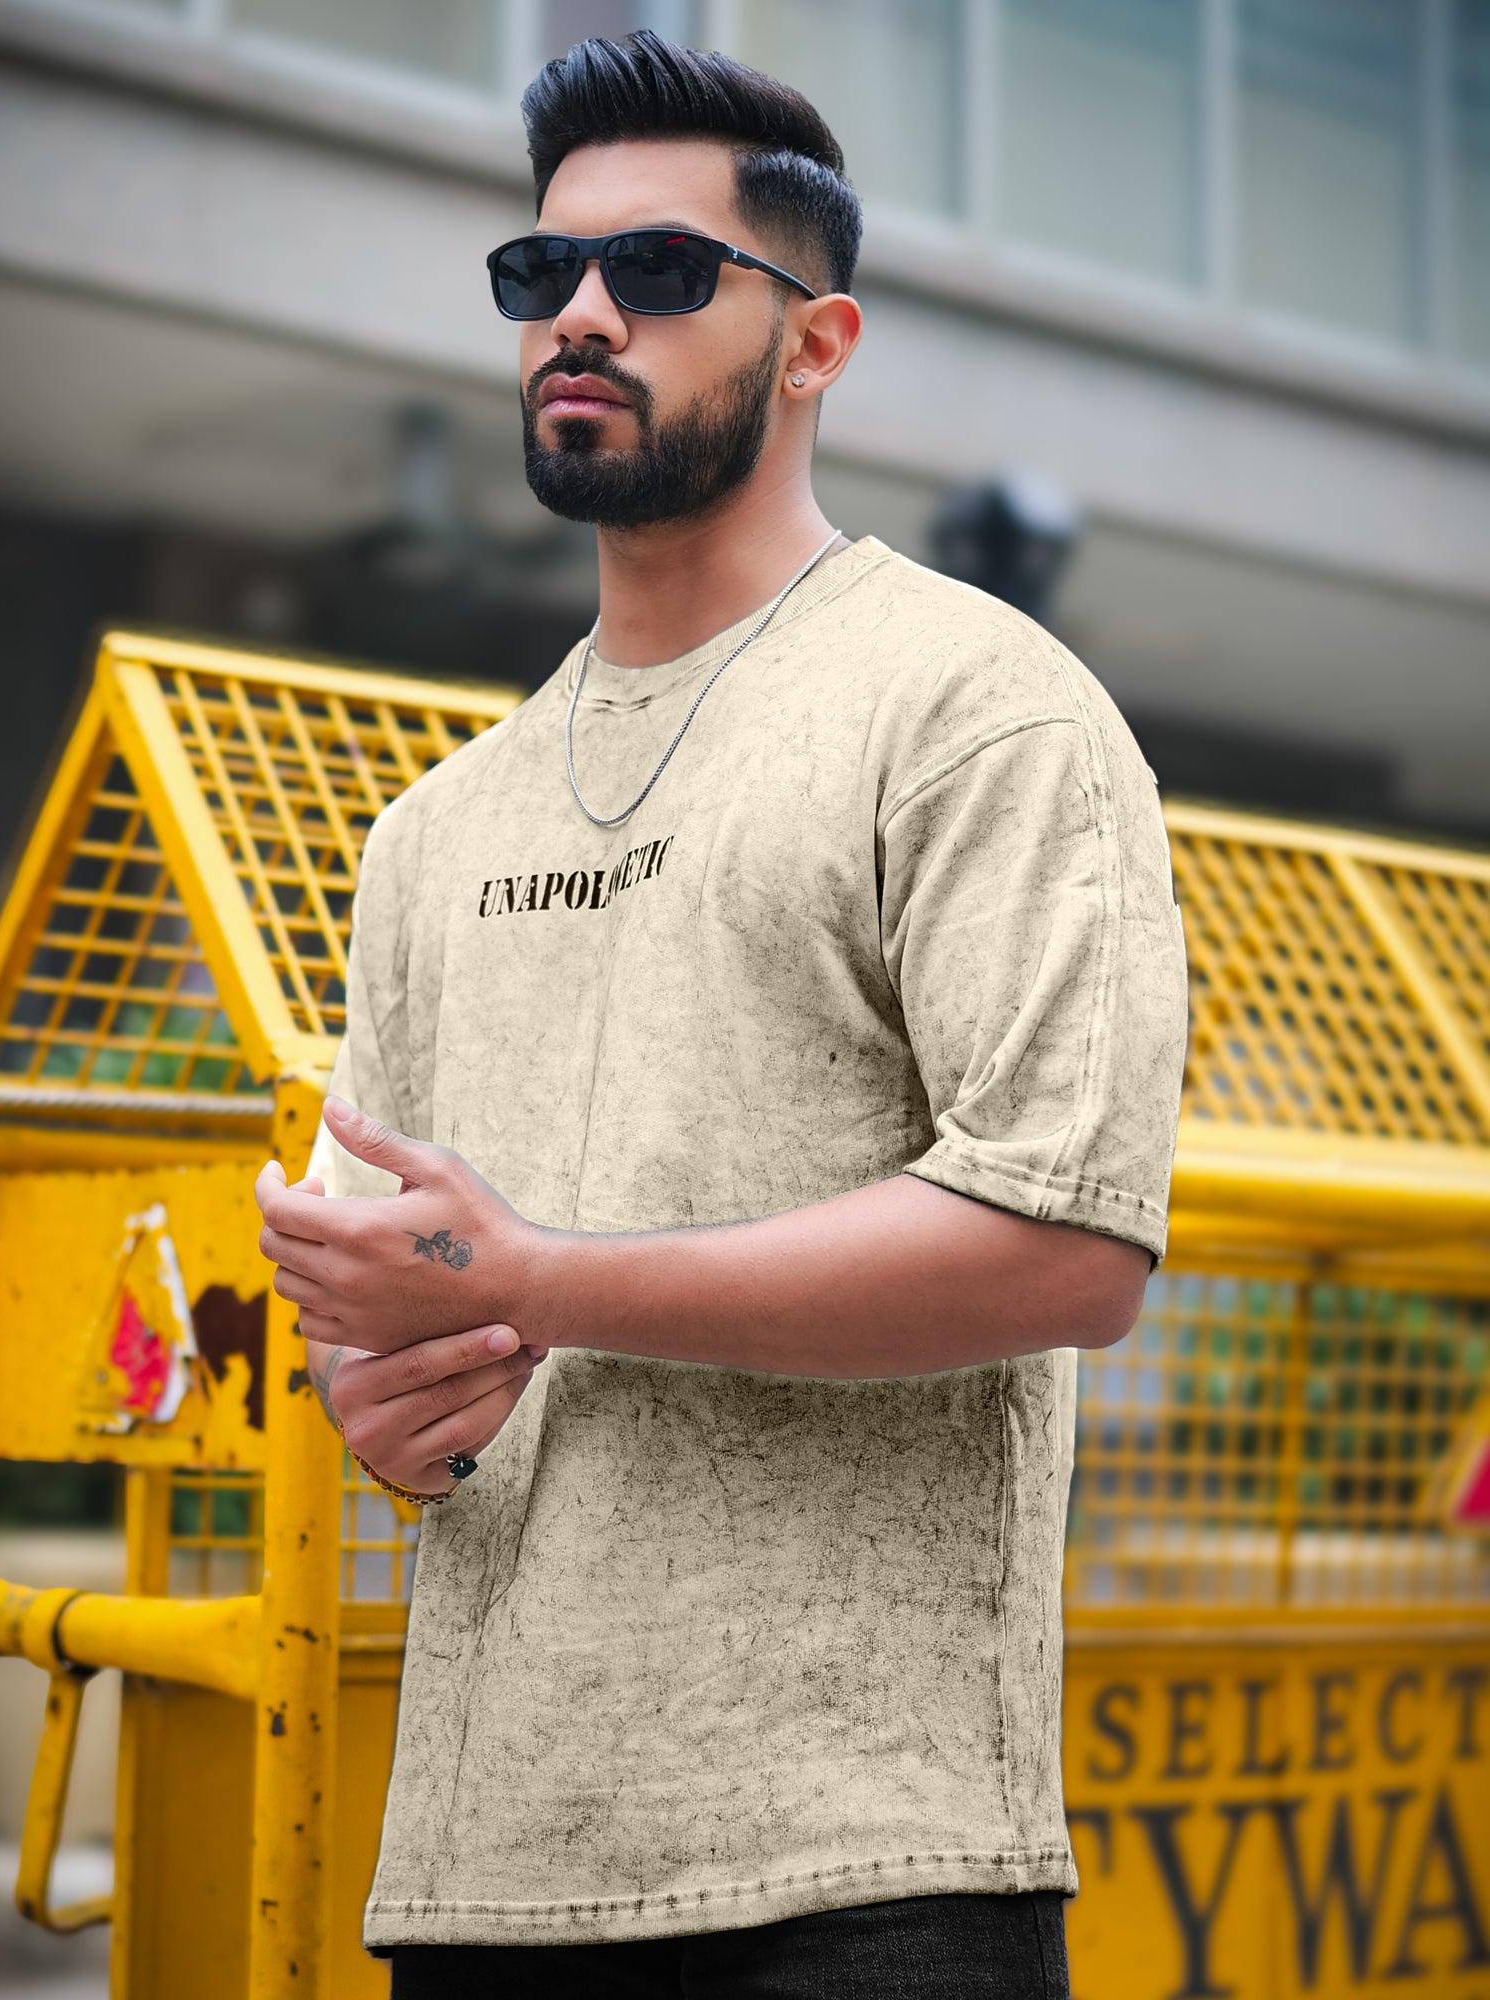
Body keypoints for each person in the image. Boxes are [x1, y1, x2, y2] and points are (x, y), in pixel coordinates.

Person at [254, 29, 1187, 2000]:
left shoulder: (976, 708)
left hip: (863, 1876)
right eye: (542, 277)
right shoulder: (437, 826)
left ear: (816, 343)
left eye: (661, 275)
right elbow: (387, 1313)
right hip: (482, 1877)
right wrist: (381, 1396)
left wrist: (557, 1282)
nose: (581, 317)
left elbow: (1070, 1241)